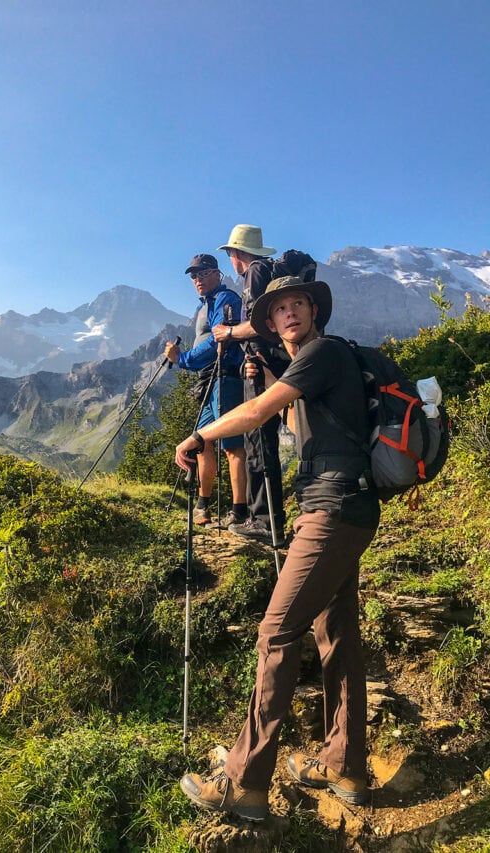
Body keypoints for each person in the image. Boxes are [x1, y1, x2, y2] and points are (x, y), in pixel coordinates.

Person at [175, 275, 381, 821]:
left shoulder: (324, 353)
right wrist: (268, 376)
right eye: (279, 308)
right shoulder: (312, 366)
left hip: (332, 513)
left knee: (276, 631)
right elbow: (295, 416)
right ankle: (346, 765)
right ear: (268, 322)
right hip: (343, 509)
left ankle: (244, 781)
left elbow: (259, 413)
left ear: (314, 311)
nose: (289, 313)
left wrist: (200, 437)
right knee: (334, 633)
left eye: (298, 304)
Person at [212, 224, 289, 546]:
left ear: (235, 253)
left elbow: (260, 325)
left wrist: (227, 334)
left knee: (258, 440)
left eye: (230, 253)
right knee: (263, 440)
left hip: (261, 367)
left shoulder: (256, 272)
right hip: (276, 364)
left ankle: (265, 521)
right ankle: (269, 518)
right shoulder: (266, 269)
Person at [164, 254, 247, 527]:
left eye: (202, 273)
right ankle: (203, 507)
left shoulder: (225, 299)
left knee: (231, 445)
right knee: (203, 442)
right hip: (211, 379)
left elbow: (217, 339)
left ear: (216, 273)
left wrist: (183, 359)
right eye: (193, 276)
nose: (197, 280)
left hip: (225, 377)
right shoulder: (209, 303)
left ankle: (239, 511)